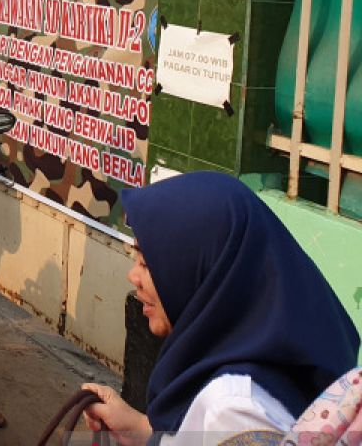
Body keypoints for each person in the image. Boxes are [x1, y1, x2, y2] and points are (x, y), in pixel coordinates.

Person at [81, 172, 359, 444]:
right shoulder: (253, 363)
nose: (134, 277)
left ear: (200, 270)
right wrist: (142, 431)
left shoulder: (233, 409)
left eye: (146, 263)